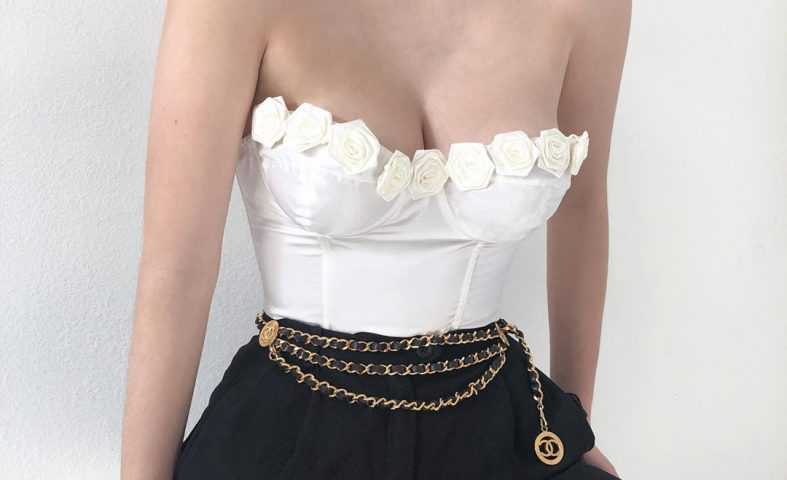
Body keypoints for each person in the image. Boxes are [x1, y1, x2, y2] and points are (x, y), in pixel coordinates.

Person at [120, 1, 631, 479]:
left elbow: (583, 210)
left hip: (499, 415)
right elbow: (178, 267)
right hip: (290, 426)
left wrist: (574, 421)